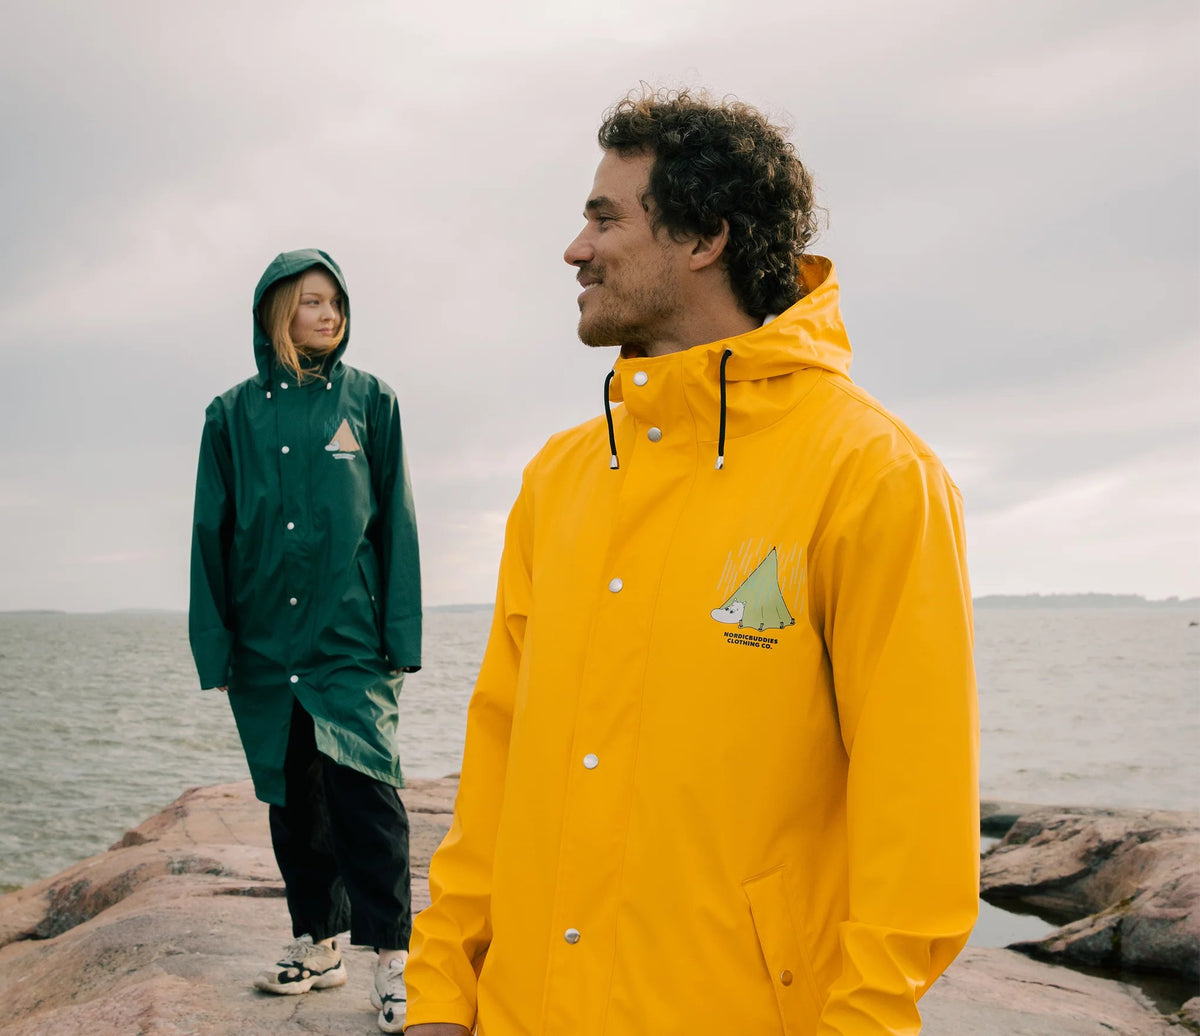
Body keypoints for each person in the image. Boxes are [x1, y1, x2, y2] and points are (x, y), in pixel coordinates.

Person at [404, 89, 979, 1036]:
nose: (575, 249)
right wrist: (440, 992)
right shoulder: (560, 478)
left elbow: (915, 821)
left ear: (704, 236)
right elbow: (495, 768)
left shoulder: (874, 474)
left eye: (603, 216)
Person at [189, 248, 421, 1034]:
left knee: (366, 795)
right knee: (293, 800)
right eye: (312, 303)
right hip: (265, 645)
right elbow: (209, 534)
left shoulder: (371, 402)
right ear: (275, 312)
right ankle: (319, 944)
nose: (328, 316)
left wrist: (402, 636)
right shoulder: (229, 415)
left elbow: (397, 524)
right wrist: (216, 647)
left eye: (335, 303)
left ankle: (395, 961)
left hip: (351, 641)